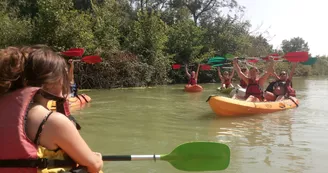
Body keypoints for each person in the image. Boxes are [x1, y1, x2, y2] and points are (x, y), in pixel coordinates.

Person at [0, 46, 103, 173]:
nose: (65, 82)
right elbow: (94, 164)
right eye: (62, 77)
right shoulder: (54, 121)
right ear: (50, 82)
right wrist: (96, 158)